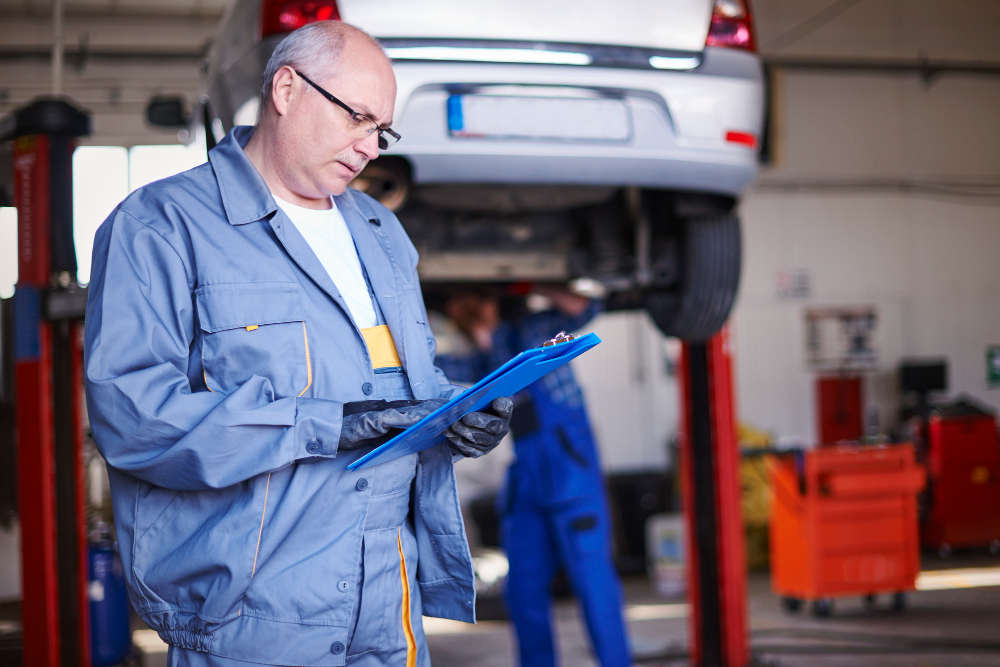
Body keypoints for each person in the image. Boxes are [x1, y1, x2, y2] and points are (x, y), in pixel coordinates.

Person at [83, 21, 513, 667]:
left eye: (382, 131)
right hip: (255, 619)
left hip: (389, 608)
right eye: (358, 119)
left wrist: (454, 411)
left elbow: (389, 387)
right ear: (287, 88)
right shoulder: (161, 226)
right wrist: (323, 425)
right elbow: (133, 418)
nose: (371, 147)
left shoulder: (379, 230)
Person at [436, 287, 631, 667]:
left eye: (462, 301)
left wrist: (535, 284)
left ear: (491, 300)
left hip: (572, 479)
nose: (455, 309)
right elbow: (439, 368)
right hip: (526, 484)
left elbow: (587, 307)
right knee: (522, 590)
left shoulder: (533, 329)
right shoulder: (484, 359)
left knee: (594, 587)